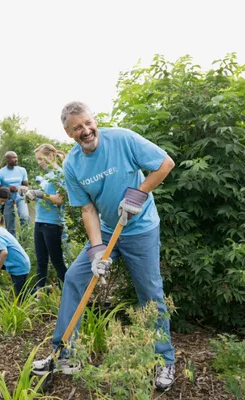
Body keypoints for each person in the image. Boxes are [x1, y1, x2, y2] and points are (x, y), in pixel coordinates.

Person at [31, 102, 177, 390]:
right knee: (75, 278)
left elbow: (165, 164)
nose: (86, 131)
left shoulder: (122, 139)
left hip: (141, 230)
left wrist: (138, 194)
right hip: (108, 231)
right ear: (68, 133)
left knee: (150, 292)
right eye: (77, 128)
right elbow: (88, 210)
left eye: (88, 123)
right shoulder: (73, 165)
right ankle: (65, 353)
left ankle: (164, 360)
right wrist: (97, 251)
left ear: (94, 120)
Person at [26, 144, 68, 293]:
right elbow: (44, 197)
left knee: (57, 262)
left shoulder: (60, 174)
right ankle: (39, 294)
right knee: (41, 261)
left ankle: (69, 292)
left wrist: (40, 194)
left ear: (50, 156)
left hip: (52, 224)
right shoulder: (47, 176)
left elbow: (59, 199)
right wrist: (31, 194)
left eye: (40, 159)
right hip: (40, 222)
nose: (39, 162)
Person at [0, 151, 30, 236]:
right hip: (7, 199)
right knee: (9, 224)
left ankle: (25, 238)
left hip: (20, 197)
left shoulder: (22, 170)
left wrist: (18, 188)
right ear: (7, 159)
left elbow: (25, 185)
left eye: (16, 157)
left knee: (25, 217)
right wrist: (7, 189)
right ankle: (12, 241)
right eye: (13, 158)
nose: (16, 159)